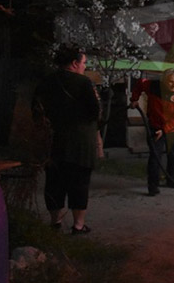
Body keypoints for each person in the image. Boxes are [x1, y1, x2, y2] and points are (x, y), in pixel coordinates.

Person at [32, 46, 102, 235]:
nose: (85, 66)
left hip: (53, 141)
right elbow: (94, 111)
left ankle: (55, 221)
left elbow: (36, 111)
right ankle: (78, 224)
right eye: (84, 63)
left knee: (54, 182)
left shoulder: (46, 82)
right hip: (80, 143)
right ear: (74, 63)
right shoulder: (83, 83)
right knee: (79, 183)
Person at [130, 68, 174, 196]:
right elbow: (139, 84)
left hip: (173, 129)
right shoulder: (153, 86)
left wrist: (165, 130)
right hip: (155, 126)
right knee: (155, 157)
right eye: (171, 81)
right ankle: (153, 186)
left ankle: (171, 180)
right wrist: (134, 98)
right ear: (164, 80)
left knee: (173, 155)